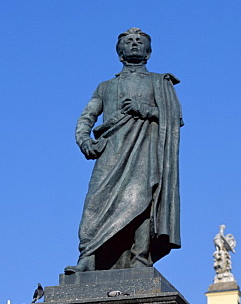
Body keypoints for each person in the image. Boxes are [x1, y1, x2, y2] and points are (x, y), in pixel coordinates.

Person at [70, 28, 182, 272]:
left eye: (139, 42)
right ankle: (88, 256)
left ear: (148, 52)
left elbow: (174, 117)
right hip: (110, 151)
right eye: (128, 41)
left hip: (145, 150)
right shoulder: (105, 87)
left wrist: (144, 109)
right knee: (95, 202)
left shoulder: (159, 82)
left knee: (141, 199)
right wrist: (84, 140)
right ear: (119, 53)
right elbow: (87, 117)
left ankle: (140, 257)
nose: (134, 44)